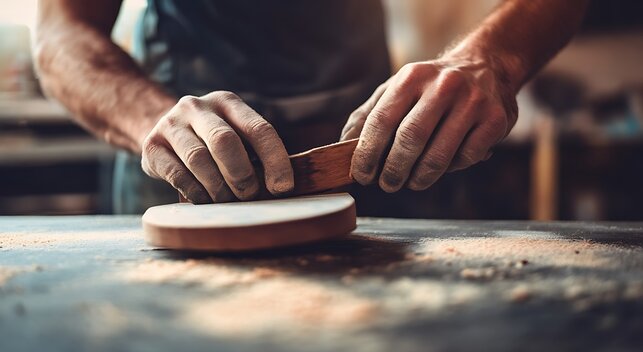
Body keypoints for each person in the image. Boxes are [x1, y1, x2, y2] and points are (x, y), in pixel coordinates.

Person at [35, 0, 588, 214]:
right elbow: (61, 30)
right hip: (181, 157)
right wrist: (146, 118)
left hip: (378, 155)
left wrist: (489, 59)